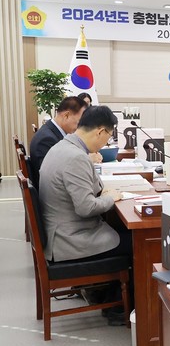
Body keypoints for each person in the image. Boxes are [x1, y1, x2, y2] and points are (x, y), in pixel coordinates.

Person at [38, 105, 133, 264]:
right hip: (71, 241)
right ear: (100, 132)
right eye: (109, 137)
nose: (106, 143)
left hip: (62, 233)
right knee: (142, 242)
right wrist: (110, 198)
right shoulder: (76, 157)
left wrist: (102, 194)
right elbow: (86, 208)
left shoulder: (61, 147)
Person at [29, 96, 89, 187]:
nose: (79, 127)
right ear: (66, 115)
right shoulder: (46, 140)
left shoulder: (52, 133)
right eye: (79, 122)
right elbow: (53, 175)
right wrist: (86, 160)